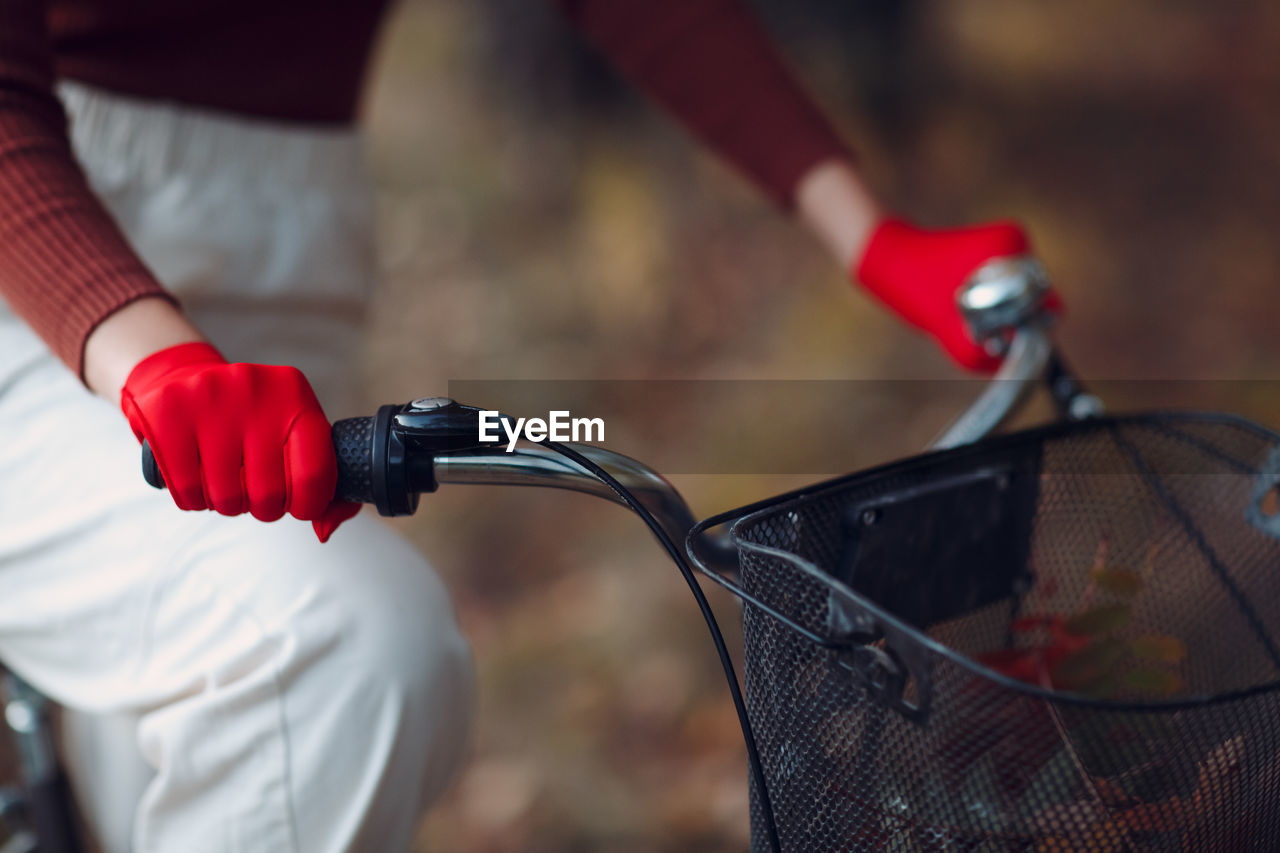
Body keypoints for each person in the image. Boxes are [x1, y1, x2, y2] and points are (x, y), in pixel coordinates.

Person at [0, 1, 1051, 850]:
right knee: (330, 653)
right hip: (42, 294)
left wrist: (869, 236)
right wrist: (152, 358)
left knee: (177, 784)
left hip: (287, 266)